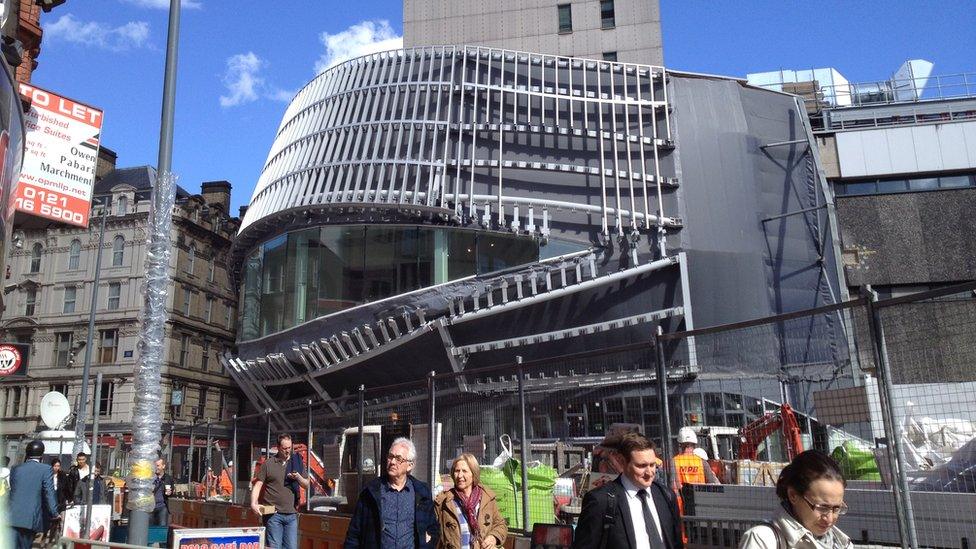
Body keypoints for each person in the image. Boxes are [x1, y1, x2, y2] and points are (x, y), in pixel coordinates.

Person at [572, 432, 682, 549]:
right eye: (641, 466)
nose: (649, 473)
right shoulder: (601, 501)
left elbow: (676, 543)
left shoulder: (666, 496)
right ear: (622, 461)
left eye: (652, 465)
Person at [739, 450, 852, 549]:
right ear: (793, 495)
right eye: (822, 507)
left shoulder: (842, 543)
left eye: (837, 508)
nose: (829, 519)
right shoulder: (762, 540)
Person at [343, 437, 439, 549]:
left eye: (398, 458)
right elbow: (354, 533)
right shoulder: (371, 492)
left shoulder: (422, 492)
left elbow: (433, 528)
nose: (392, 462)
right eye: (390, 457)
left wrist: (428, 543)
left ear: (410, 465)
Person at [433, 453, 506, 549]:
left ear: (473, 474)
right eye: (457, 471)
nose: (460, 475)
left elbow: (500, 525)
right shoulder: (443, 502)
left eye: (464, 471)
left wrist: (493, 537)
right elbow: (431, 530)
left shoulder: (487, 499)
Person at [251, 434, 309, 549]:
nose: (288, 451)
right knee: (274, 546)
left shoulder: (297, 462)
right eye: (284, 448)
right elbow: (258, 485)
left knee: (291, 547)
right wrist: (254, 503)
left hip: (291, 514)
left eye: (289, 448)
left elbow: (306, 484)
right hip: (273, 514)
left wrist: (298, 477)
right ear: (278, 447)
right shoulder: (268, 464)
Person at [7, 440, 59, 549]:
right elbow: (49, 492)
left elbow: (14, 489)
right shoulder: (46, 469)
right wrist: (54, 513)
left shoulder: (15, 469)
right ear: (41, 455)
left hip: (11, 517)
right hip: (29, 518)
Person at [151, 458, 174, 527]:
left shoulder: (168, 478)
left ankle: (160, 538)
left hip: (162, 507)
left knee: (162, 527)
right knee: (149, 528)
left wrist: (170, 492)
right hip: (150, 507)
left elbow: (172, 490)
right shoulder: (151, 477)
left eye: (158, 466)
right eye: (155, 466)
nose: (156, 468)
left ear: (163, 466)